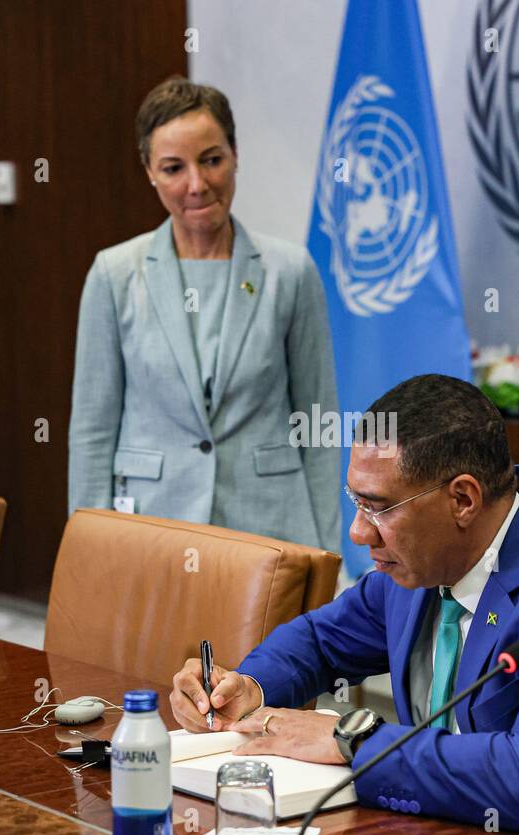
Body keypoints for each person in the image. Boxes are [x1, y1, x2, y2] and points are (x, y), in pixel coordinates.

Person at [169, 374, 519, 834]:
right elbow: (318, 641)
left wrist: (351, 738)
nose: (356, 533)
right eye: (355, 503)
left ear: (462, 500)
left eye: (377, 508)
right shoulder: (416, 567)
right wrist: (248, 688)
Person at [68, 77, 339, 550]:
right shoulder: (114, 275)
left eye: (212, 160)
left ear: (235, 154)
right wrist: (89, 552)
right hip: (153, 531)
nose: (197, 185)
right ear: (149, 171)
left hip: (273, 530)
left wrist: (328, 550)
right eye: (173, 168)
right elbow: (93, 431)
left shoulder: (290, 271)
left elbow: (316, 420)